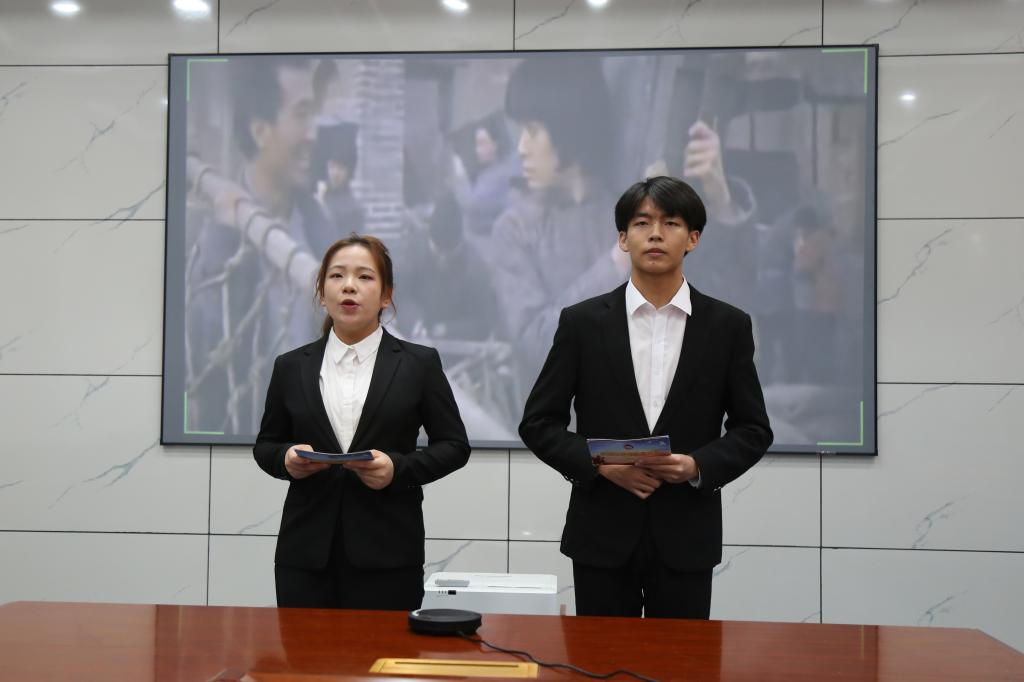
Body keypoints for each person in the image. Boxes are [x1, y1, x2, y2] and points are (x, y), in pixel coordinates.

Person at [519, 176, 773, 619]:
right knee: (598, 656)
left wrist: (697, 466)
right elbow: (539, 423)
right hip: (601, 532)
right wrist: (601, 465)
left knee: (681, 657)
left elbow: (753, 429)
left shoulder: (727, 326)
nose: (655, 234)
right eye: (642, 223)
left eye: (671, 223)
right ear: (623, 238)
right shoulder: (582, 323)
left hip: (686, 535)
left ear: (693, 239)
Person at [253, 234, 471, 610]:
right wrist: (285, 459)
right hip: (305, 555)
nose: (349, 286)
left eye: (365, 277)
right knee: (304, 650)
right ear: (322, 293)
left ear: (386, 295)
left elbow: (454, 446)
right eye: (337, 276)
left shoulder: (418, 364)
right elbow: (266, 445)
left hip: (388, 553)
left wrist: (398, 469)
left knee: (383, 650)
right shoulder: (290, 366)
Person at [186, 57, 336, 435]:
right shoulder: (211, 239)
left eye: (313, 114)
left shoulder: (321, 230)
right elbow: (204, 359)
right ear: (260, 131)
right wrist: (224, 241)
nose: (313, 133)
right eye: (301, 114)